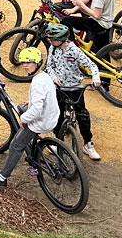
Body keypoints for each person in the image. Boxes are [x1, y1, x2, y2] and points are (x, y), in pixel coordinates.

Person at [0, 46, 60, 188]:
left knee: (15, 145)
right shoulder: (44, 76)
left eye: (29, 62)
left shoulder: (37, 83)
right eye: (23, 62)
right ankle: (31, 143)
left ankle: (2, 178)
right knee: (20, 107)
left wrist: (24, 119)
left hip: (41, 121)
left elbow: (36, 109)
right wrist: (31, 103)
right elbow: (45, 97)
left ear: (37, 63)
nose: (25, 66)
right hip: (51, 116)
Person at [44, 23, 102, 161]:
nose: (50, 42)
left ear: (62, 39)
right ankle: (57, 140)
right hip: (59, 89)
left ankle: (88, 144)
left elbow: (91, 65)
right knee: (57, 114)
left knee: (82, 115)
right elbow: (49, 66)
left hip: (75, 89)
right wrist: (54, 78)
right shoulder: (52, 48)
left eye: (53, 39)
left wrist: (96, 78)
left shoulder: (74, 50)